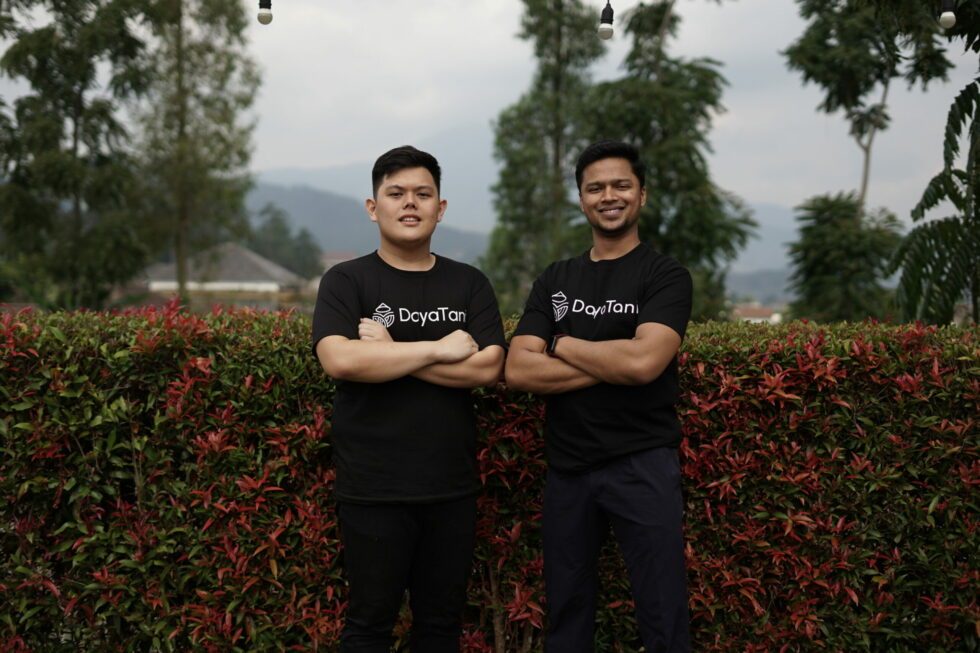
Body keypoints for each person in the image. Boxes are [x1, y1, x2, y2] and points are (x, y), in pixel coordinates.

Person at [311, 145, 506, 653]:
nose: (410, 203)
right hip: (373, 488)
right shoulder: (347, 280)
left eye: (423, 193)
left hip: (450, 488)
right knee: (369, 626)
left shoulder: (469, 283)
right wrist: (438, 349)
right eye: (396, 193)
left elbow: (488, 366)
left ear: (441, 207)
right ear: (373, 207)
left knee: (440, 628)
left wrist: (390, 351)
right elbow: (341, 360)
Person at [505, 140, 693, 652]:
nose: (609, 196)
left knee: (663, 612)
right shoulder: (556, 279)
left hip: (642, 464)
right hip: (568, 470)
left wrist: (561, 344)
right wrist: (618, 360)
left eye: (621, 185)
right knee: (566, 613)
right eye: (596, 188)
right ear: (582, 199)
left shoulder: (665, 276)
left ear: (642, 194)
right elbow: (518, 369)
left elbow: (645, 363)